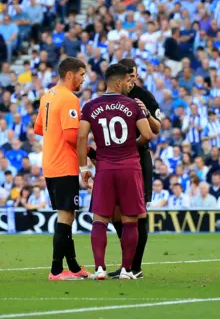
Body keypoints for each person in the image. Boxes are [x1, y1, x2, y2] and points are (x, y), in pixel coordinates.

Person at [77, 64, 153, 280]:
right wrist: (130, 144)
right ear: (119, 82)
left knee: (100, 218)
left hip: (104, 166)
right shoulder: (131, 104)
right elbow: (147, 135)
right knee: (130, 220)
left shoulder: (90, 105)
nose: (130, 85)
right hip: (130, 166)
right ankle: (127, 270)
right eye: (128, 81)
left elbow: (81, 137)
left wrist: (84, 167)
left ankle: (100, 268)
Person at [102, 59, 161, 280]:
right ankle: (128, 262)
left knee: (138, 212)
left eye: (133, 75)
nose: (131, 79)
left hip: (138, 157)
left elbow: (156, 128)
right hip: (115, 160)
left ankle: (135, 266)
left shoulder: (144, 96)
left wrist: (146, 114)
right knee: (116, 212)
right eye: (128, 76)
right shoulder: (110, 96)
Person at [34, 57, 90, 281]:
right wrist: (90, 151)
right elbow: (71, 136)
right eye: (82, 75)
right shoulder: (69, 98)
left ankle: (74, 267)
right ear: (70, 75)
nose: (83, 79)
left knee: (66, 214)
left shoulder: (47, 95)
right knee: (66, 217)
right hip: (64, 163)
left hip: (49, 162)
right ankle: (56, 270)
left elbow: (39, 128)